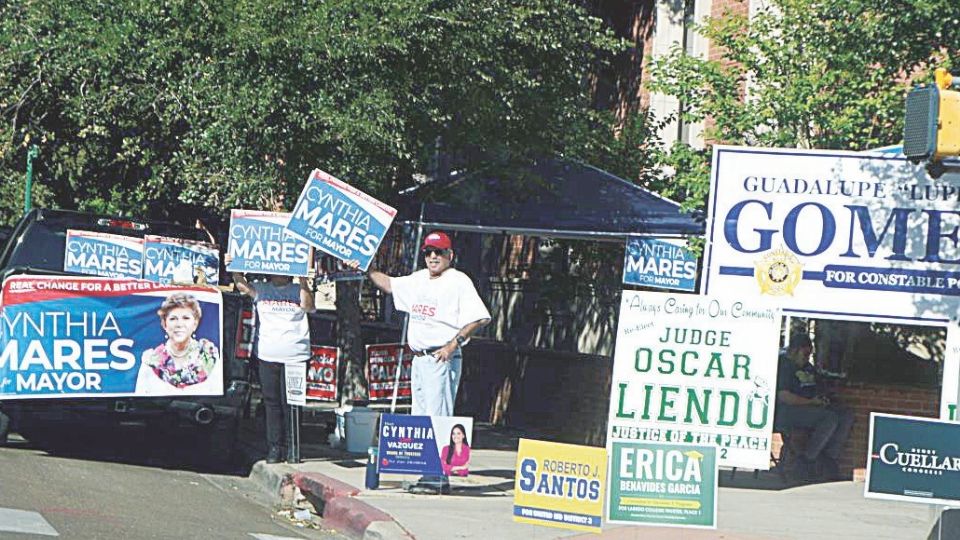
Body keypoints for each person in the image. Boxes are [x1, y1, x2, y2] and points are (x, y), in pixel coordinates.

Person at [353, 230, 490, 494]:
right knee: (421, 418)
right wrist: (367, 268)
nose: (433, 257)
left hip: (441, 357)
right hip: (419, 358)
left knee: (438, 417)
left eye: (439, 252)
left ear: (450, 255)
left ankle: (437, 477)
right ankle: (427, 473)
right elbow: (391, 284)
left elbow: (480, 317)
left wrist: (454, 344)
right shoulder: (418, 280)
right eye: (428, 252)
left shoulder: (458, 281)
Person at [229, 254, 315, 464]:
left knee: (292, 403)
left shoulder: (298, 291)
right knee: (271, 402)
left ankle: (294, 448)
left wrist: (303, 280)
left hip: (296, 355)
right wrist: (233, 266)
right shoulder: (262, 288)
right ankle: (275, 448)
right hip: (267, 354)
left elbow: (308, 306)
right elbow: (242, 285)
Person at [775, 333, 854, 481]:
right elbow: (784, 396)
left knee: (845, 415)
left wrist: (824, 397)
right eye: (804, 354)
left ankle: (829, 458)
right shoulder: (784, 366)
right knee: (828, 419)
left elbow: (818, 384)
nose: (807, 358)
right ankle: (807, 460)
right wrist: (811, 402)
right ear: (794, 350)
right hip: (788, 412)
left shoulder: (807, 368)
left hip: (811, 407)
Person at [137, 292, 221, 394]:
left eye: (186, 318)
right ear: (164, 324)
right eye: (173, 319)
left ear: (195, 323)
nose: (179, 324)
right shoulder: (150, 361)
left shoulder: (209, 357)